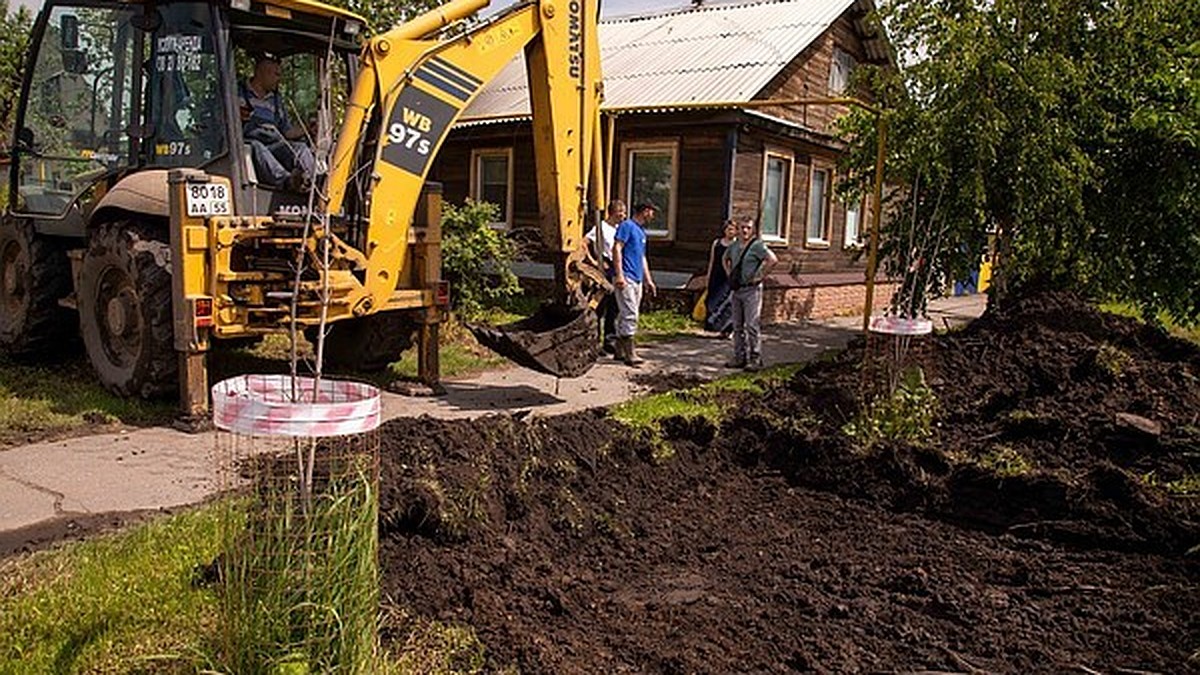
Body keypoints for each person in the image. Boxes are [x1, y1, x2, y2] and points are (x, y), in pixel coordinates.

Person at [239, 52, 315, 191]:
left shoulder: (276, 100)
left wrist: (308, 128)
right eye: (276, 74)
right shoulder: (238, 92)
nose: (279, 79)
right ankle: (287, 181)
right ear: (263, 73)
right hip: (247, 144)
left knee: (300, 148)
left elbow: (286, 132)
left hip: (274, 146)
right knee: (257, 147)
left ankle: (314, 181)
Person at [722, 216, 777, 371]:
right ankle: (740, 357)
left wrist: (760, 276)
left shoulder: (757, 246)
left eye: (748, 227)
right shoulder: (733, 246)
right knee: (737, 326)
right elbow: (724, 259)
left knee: (752, 325)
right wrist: (729, 274)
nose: (745, 230)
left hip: (752, 290)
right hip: (737, 289)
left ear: (752, 230)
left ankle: (755, 358)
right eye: (742, 227)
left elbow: (772, 260)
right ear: (738, 229)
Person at [611, 201, 658, 366]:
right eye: (652, 211)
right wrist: (619, 275)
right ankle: (630, 353)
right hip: (627, 276)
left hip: (637, 277)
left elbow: (642, 257)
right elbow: (617, 248)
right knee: (631, 313)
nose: (653, 215)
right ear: (645, 211)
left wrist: (648, 279)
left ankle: (619, 350)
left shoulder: (641, 231)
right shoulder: (627, 226)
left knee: (626, 313)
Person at [585, 200, 625, 354]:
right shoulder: (600, 227)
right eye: (620, 212)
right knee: (600, 305)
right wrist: (594, 262)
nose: (623, 216)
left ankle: (610, 341)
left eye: (624, 212)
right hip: (605, 266)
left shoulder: (620, 228)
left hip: (616, 267)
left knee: (614, 306)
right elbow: (584, 243)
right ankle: (594, 341)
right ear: (612, 212)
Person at [703, 218, 738, 337]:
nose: (730, 232)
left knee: (726, 302)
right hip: (716, 274)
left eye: (733, 230)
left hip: (727, 276)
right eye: (729, 229)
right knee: (712, 301)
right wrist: (708, 276)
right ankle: (712, 326)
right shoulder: (717, 243)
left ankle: (727, 330)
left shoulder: (736, 245)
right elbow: (712, 260)